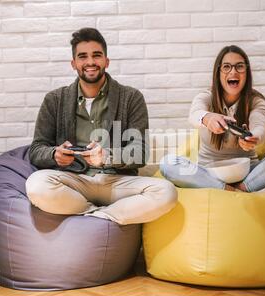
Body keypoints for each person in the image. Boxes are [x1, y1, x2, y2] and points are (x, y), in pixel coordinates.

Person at [26, 28, 177, 225]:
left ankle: (97, 217)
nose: (90, 62)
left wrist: (106, 157)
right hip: (74, 181)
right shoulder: (54, 100)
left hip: (116, 181)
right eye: (82, 57)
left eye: (96, 55)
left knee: (167, 192)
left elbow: (139, 153)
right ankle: (95, 211)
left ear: (106, 61)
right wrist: (54, 154)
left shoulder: (131, 98)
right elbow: (36, 149)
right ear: (74, 64)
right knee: (36, 186)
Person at [160, 45, 265, 193]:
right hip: (210, 172)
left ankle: (242, 188)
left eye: (239, 66)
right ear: (218, 72)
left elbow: (259, 126)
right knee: (167, 163)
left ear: (247, 72)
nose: (233, 71)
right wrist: (208, 118)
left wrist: (253, 137)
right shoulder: (206, 96)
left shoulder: (255, 100)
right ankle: (235, 191)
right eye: (227, 67)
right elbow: (194, 114)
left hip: (248, 171)